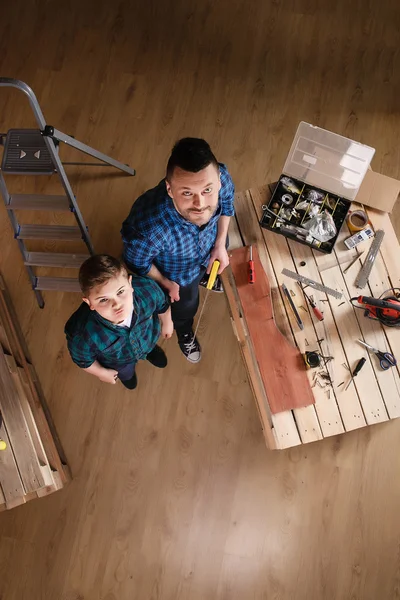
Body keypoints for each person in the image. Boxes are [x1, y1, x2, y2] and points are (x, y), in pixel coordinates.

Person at [121, 138, 235, 363]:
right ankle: (184, 330)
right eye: (186, 193)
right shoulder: (147, 227)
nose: (200, 203)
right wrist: (164, 281)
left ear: (219, 180)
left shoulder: (222, 176)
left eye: (207, 190)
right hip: (177, 277)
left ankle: (205, 276)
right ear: (169, 189)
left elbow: (228, 205)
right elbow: (136, 263)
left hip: (212, 247)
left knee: (210, 268)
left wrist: (220, 244)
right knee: (185, 308)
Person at [65, 254, 173, 390]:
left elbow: (162, 304)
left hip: (147, 338)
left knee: (149, 347)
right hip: (120, 361)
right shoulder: (83, 334)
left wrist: (167, 322)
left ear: (130, 283)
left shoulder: (147, 290)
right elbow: (82, 358)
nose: (117, 304)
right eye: (103, 300)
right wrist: (101, 373)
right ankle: (128, 376)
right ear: (89, 303)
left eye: (121, 291)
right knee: (127, 374)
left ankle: (149, 352)